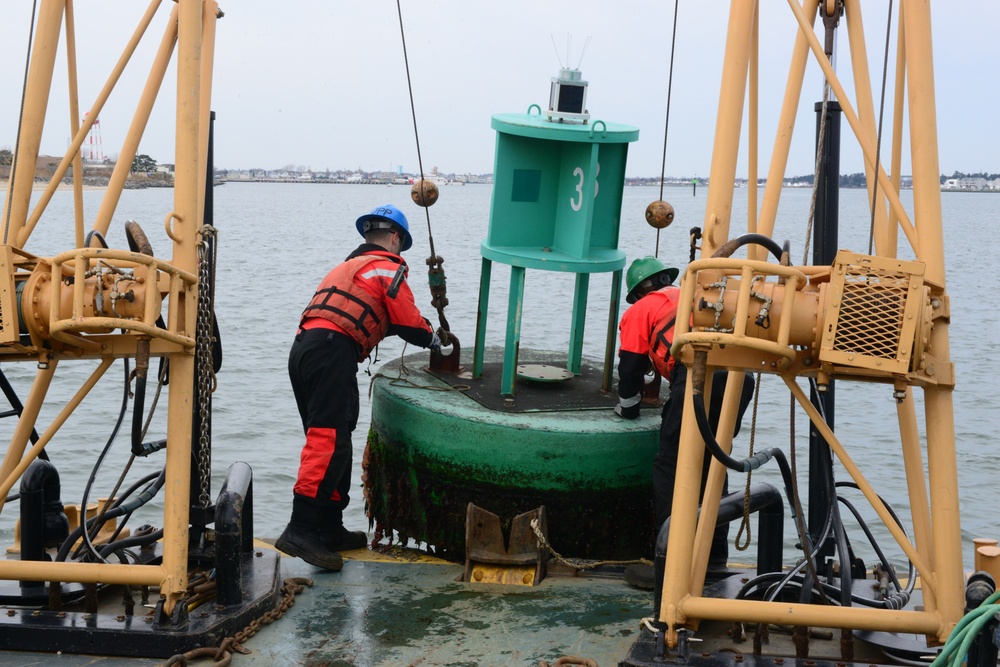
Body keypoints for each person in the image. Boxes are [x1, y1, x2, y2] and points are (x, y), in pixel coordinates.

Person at [276, 204, 440, 571]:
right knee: (329, 439)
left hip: (305, 351)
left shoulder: (349, 267)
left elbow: (376, 315)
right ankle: (300, 528)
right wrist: (434, 339)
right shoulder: (388, 265)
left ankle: (329, 527)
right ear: (396, 238)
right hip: (333, 351)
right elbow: (407, 321)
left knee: (335, 439)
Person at [615, 255, 753, 584]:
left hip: (697, 375)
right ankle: (715, 557)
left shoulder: (639, 311)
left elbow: (631, 367)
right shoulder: (693, 295)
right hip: (739, 377)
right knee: (711, 462)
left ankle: (669, 560)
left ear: (637, 293)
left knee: (669, 465)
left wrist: (628, 406)